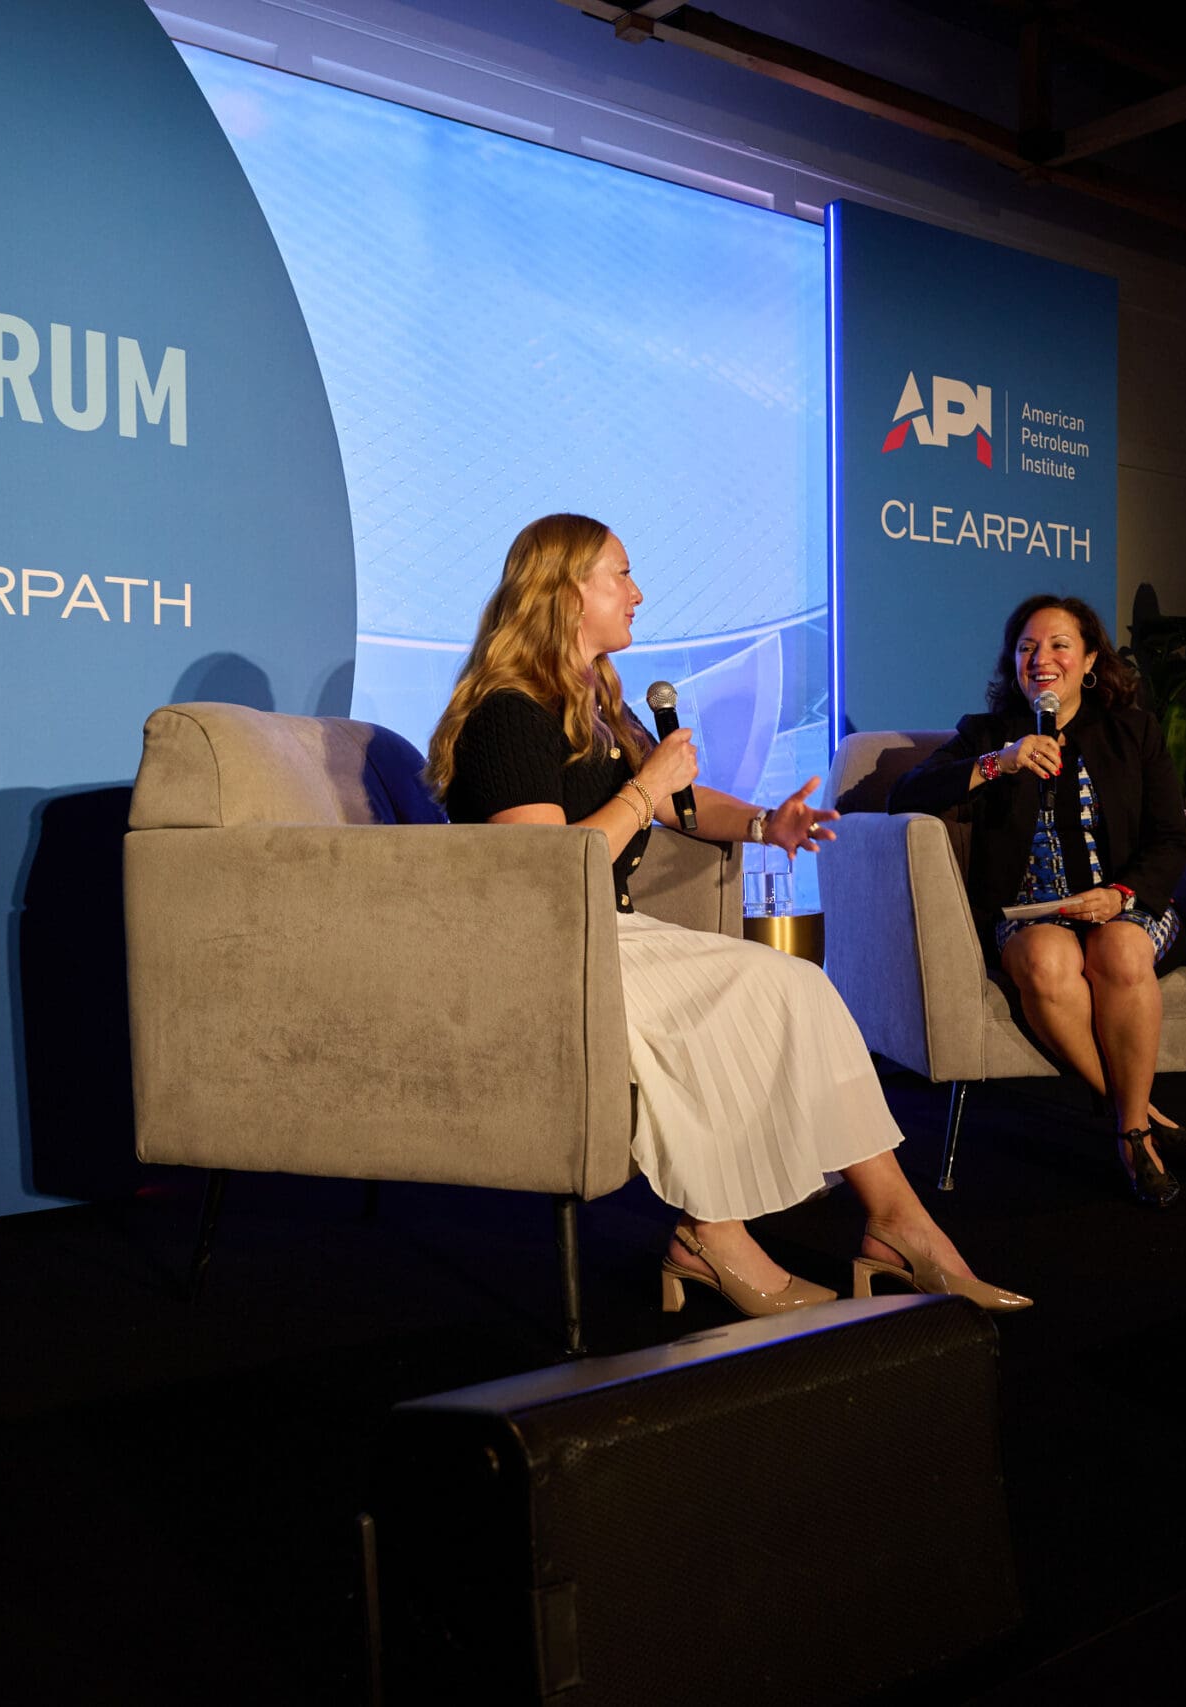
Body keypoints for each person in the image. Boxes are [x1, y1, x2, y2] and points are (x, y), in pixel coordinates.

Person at [429, 514, 1029, 1315]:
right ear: (569, 593)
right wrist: (645, 786)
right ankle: (714, 1233)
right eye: (621, 574)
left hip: (605, 934)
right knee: (756, 992)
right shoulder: (510, 712)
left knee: (799, 985)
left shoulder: (592, 701)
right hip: (548, 951)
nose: (638, 593)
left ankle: (896, 1224)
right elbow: (546, 872)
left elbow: (677, 801)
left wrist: (764, 823)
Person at [887, 594, 1186, 1208]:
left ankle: (1130, 1132)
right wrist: (998, 764)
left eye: (1058, 646)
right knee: (1049, 964)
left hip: (1124, 901)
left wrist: (1120, 896)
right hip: (1030, 911)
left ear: (1090, 660)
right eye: (1027, 648)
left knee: (1121, 952)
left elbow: (1170, 836)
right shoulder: (988, 735)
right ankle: (1138, 1120)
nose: (1040, 659)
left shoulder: (1132, 731)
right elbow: (905, 795)